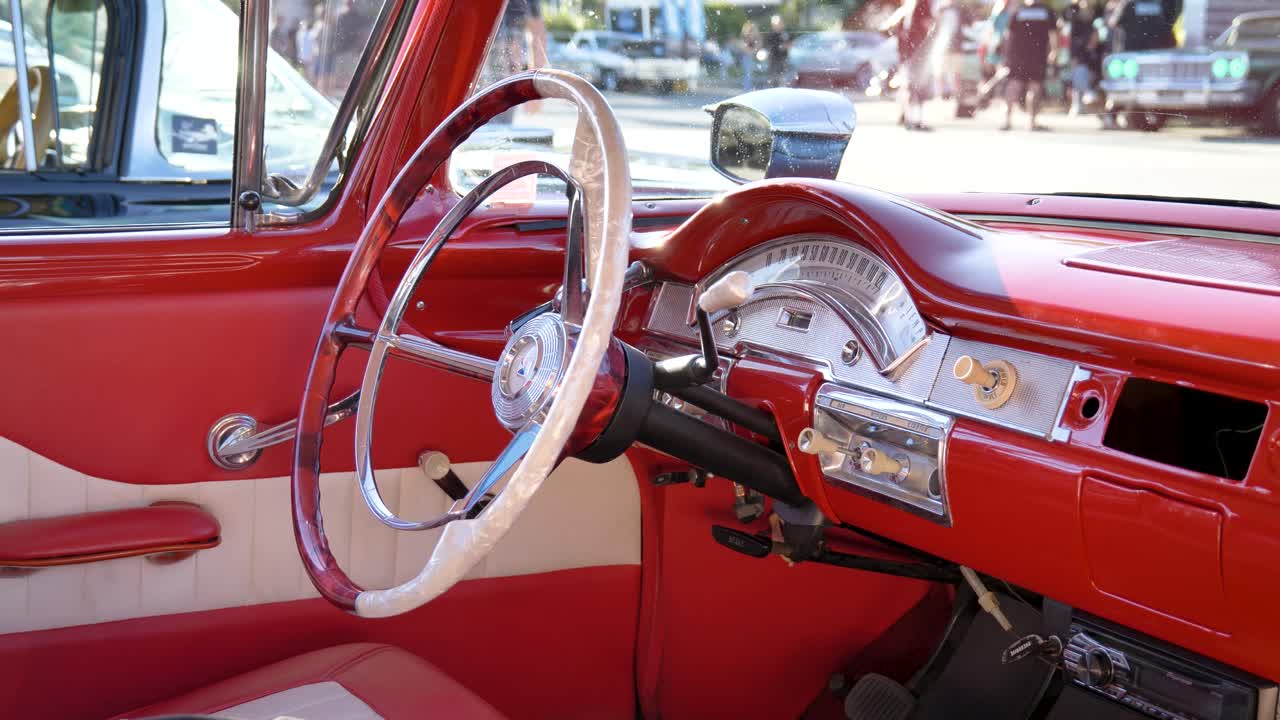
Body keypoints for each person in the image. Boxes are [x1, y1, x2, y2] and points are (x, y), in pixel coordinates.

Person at [1001, 0, 1057, 131]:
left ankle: (1007, 121)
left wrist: (1006, 56)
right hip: (1038, 55)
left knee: (1014, 84)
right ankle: (1031, 122)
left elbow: (1008, 35)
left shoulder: (1018, 10)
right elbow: (1053, 33)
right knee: (1035, 86)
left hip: (1017, 56)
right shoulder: (1046, 11)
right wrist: (1054, 51)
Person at [882, 0, 935, 131]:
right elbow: (927, 23)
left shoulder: (907, 5)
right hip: (918, 51)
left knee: (907, 85)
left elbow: (889, 27)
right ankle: (915, 120)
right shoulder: (922, 3)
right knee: (917, 87)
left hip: (906, 52)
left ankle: (906, 116)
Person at [1064, 0, 1099, 115]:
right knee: (1078, 73)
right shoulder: (1074, 21)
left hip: (1090, 56)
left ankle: (1082, 101)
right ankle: (1080, 101)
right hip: (1078, 55)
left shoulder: (1093, 23)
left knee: (1085, 75)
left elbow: (1095, 38)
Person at [764, 15, 790, 87]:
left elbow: (788, 44)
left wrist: (786, 46)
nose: (780, 25)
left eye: (781, 23)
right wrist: (780, 47)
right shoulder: (770, 35)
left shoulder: (784, 34)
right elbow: (769, 47)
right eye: (778, 23)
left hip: (783, 60)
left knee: (782, 80)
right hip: (774, 61)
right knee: (773, 80)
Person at [739, 20, 762, 91]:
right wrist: (753, 51)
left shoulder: (758, 39)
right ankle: (747, 89)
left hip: (756, 58)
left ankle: (752, 88)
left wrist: (754, 51)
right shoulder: (745, 39)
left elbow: (759, 46)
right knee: (748, 72)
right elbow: (745, 50)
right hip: (747, 58)